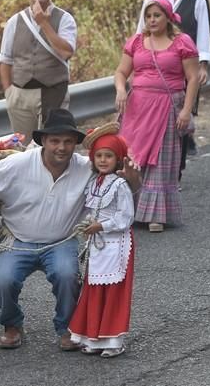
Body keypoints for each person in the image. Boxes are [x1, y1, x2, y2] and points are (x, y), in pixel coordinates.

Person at [0, 109, 140, 351]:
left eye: (68, 141)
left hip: (61, 241)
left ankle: (67, 328)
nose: (62, 147)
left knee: (67, 275)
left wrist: (133, 180)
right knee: (3, 279)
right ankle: (12, 325)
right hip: (18, 239)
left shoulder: (88, 168)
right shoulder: (18, 163)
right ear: (43, 141)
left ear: (75, 144)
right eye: (55, 140)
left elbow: (119, 188)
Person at [115, 0, 199, 232]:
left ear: (168, 17)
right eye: (148, 16)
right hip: (137, 106)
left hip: (168, 104)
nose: (152, 20)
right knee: (131, 157)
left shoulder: (182, 42)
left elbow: (192, 78)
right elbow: (121, 72)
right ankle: (130, 210)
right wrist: (121, 90)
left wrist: (186, 110)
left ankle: (155, 215)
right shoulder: (136, 42)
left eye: (157, 15)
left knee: (161, 159)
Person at [135, 0, 210, 180]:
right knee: (154, 121)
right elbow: (141, 32)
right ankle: (152, 168)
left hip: (186, 67)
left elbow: (204, 33)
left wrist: (203, 65)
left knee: (181, 120)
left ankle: (175, 171)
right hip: (156, 68)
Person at [68, 123, 135, 358]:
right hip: (98, 244)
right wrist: (88, 225)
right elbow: (88, 211)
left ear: (118, 159)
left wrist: (101, 226)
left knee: (113, 291)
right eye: (99, 156)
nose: (103, 160)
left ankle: (113, 340)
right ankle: (92, 337)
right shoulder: (94, 183)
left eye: (109, 156)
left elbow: (125, 217)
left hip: (116, 243)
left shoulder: (119, 185)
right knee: (94, 289)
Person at [0, 0, 77, 145]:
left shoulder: (65, 19)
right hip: (20, 93)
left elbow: (66, 52)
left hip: (53, 91)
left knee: (50, 145)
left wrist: (44, 24)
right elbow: (5, 59)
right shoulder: (14, 21)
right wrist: (9, 92)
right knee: (22, 147)